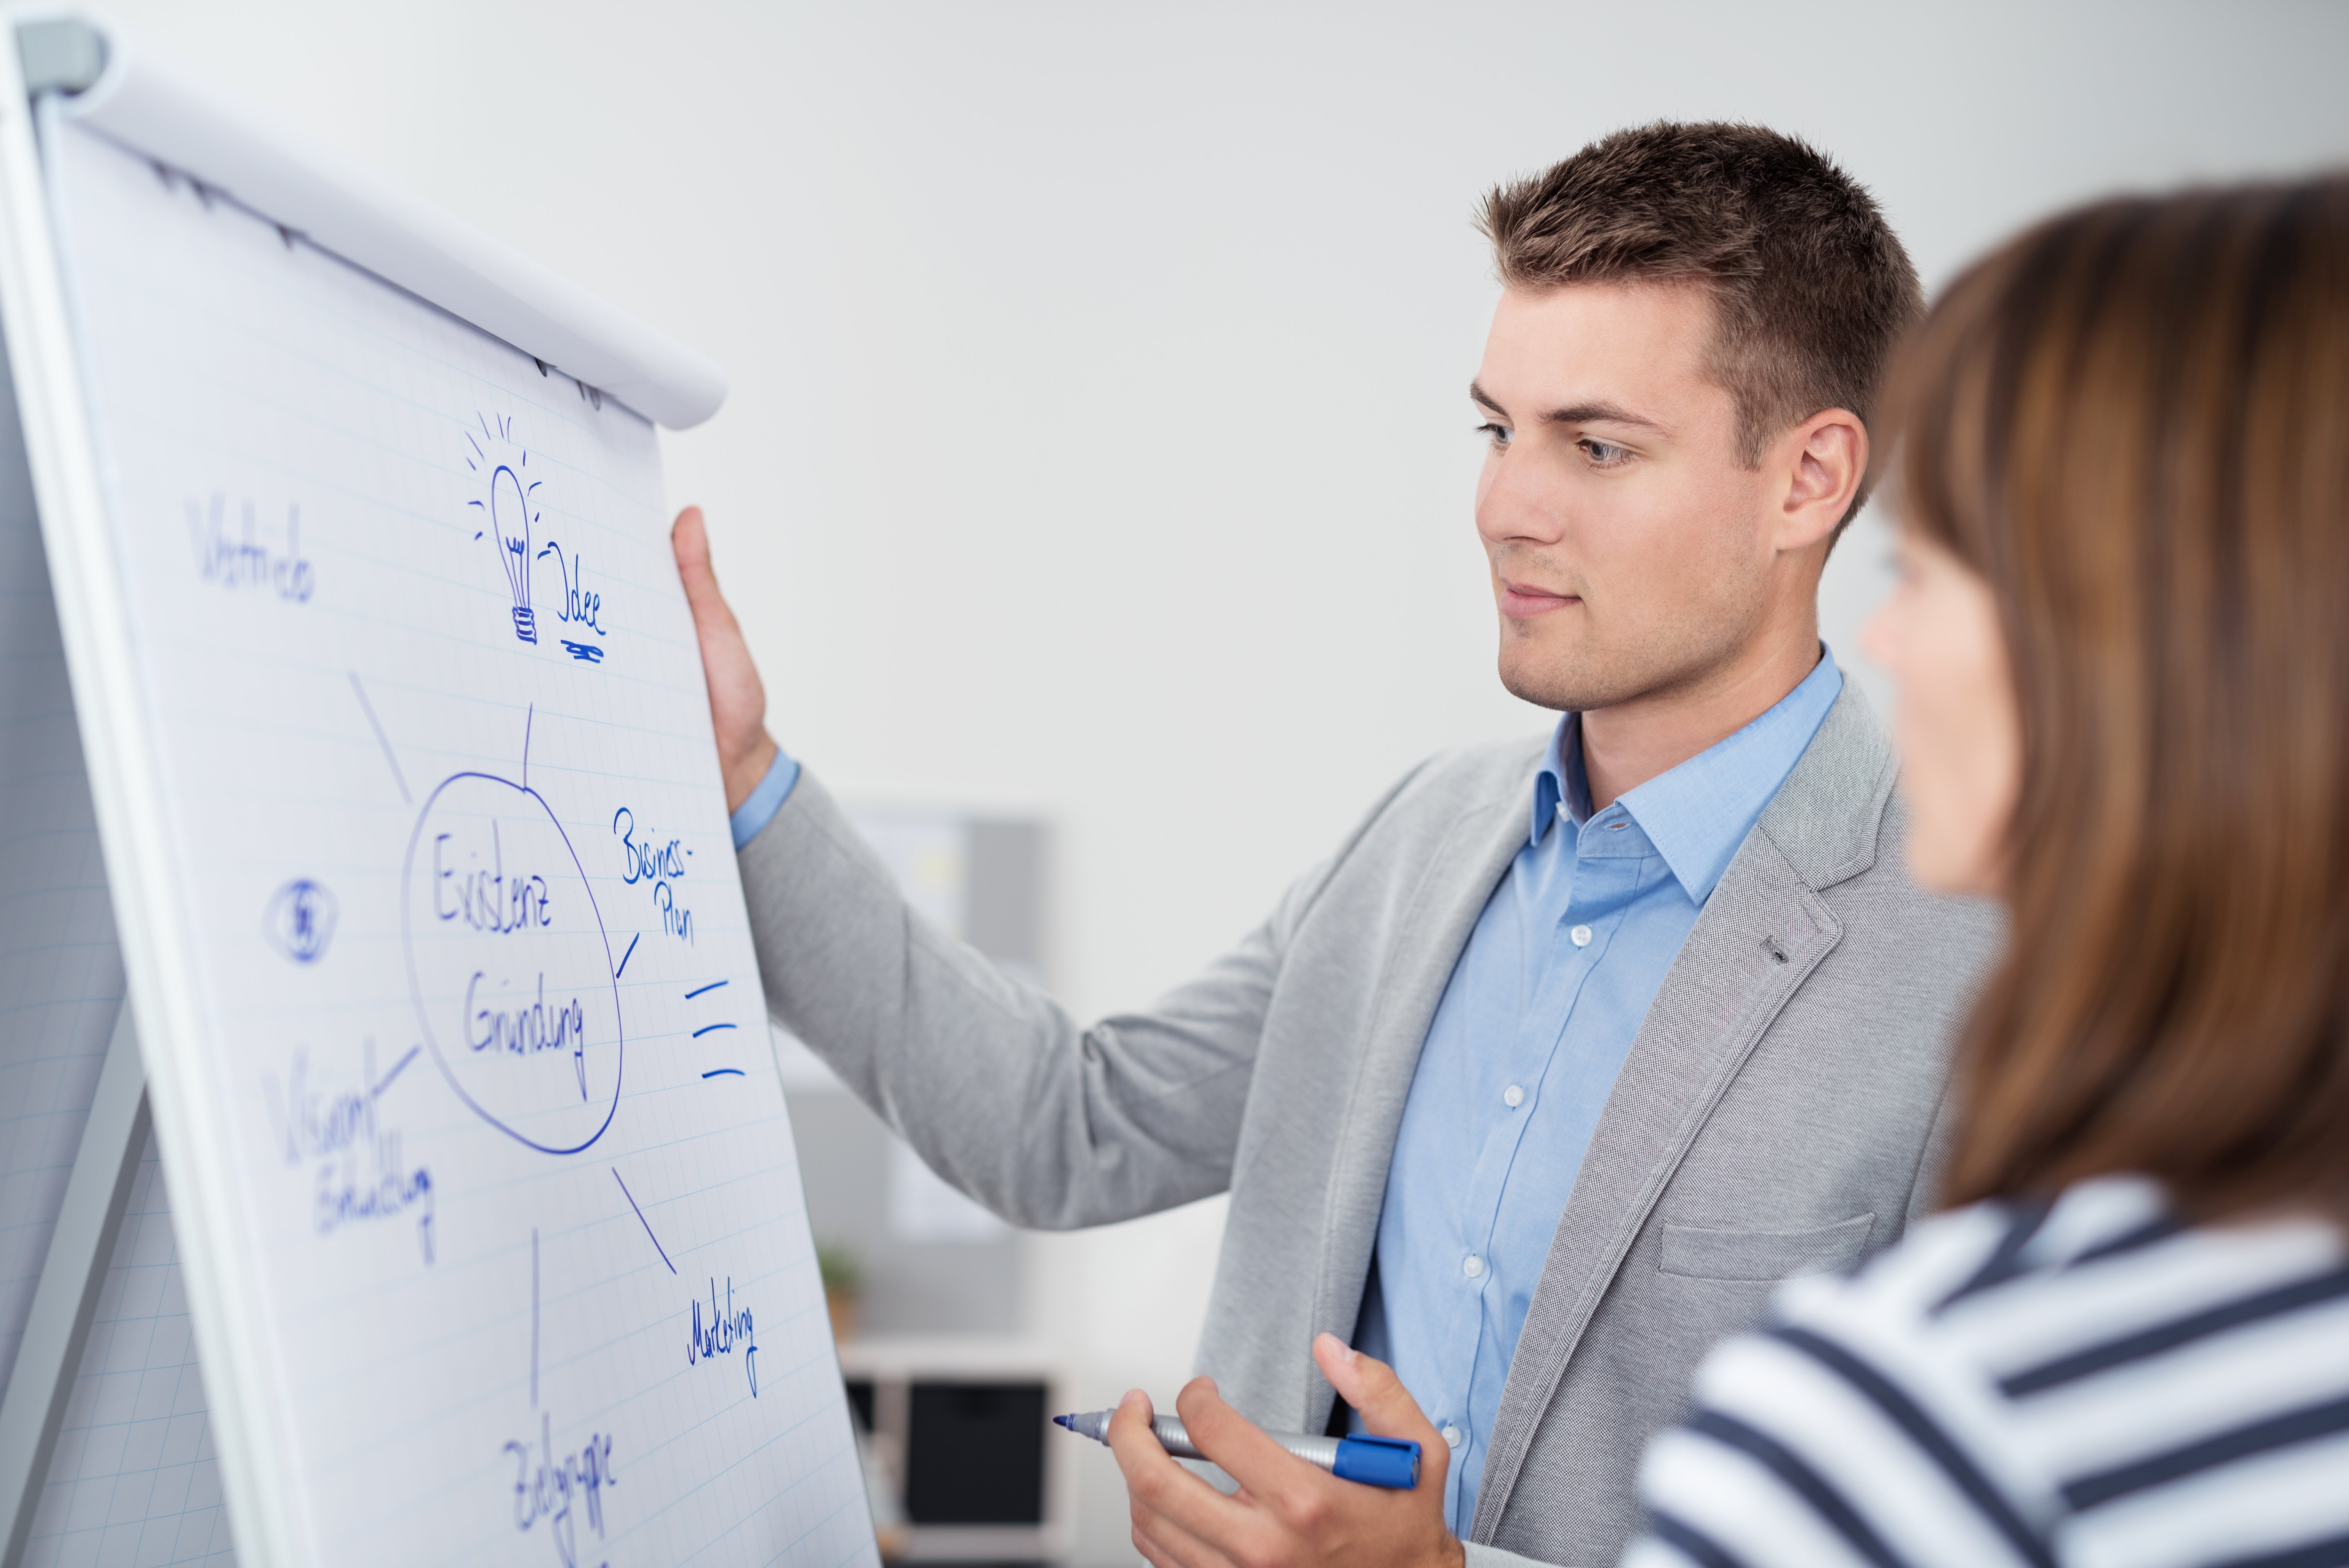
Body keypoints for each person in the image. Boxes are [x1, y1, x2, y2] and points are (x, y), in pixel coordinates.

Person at [676, 122, 2001, 1567]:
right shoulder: (1423, 841)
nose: (1507, 508)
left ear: (1809, 480)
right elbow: (1067, 1127)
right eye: (1499, 431)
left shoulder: (1982, 962)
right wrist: (742, 774)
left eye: (1598, 447)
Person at [1625, 175, 2349, 1566]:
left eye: (1928, 566)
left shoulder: (1929, 1425)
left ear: (2147, 643)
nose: (1885, 644)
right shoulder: (1423, 840)